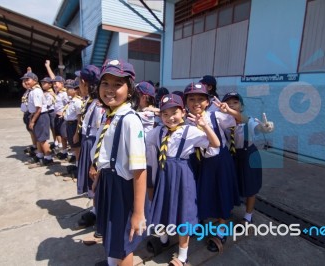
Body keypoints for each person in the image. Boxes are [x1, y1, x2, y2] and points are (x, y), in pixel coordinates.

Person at [146, 93, 220, 265]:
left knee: (183, 213)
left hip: (183, 176)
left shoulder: (190, 131)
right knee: (164, 207)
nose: (170, 117)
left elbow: (215, 144)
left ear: (183, 113)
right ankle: (163, 239)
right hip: (164, 176)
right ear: (160, 115)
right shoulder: (157, 132)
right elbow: (143, 143)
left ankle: (182, 254)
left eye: (174, 112)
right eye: (165, 114)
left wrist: (205, 126)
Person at [89, 59, 147, 266]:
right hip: (107, 183)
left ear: (129, 90)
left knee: (123, 243)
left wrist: (138, 212)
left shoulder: (129, 120)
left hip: (122, 189)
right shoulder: (109, 115)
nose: (110, 89)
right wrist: (98, 176)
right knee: (112, 236)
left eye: (117, 84)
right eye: (105, 83)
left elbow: (139, 170)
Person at [183, 82, 242, 253]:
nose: (196, 103)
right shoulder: (184, 119)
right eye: (191, 99)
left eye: (201, 99)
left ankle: (222, 230)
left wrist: (228, 110)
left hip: (219, 161)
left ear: (207, 102)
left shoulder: (215, 116)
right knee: (201, 193)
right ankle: (200, 223)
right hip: (199, 162)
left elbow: (239, 119)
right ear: (186, 102)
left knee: (221, 193)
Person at [221, 92, 274, 227]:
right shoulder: (224, 123)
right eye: (228, 103)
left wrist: (266, 127)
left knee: (251, 187)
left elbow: (260, 128)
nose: (232, 105)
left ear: (242, 106)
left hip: (249, 156)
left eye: (235, 102)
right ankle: (229, 210)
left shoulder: (249, 121)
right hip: (233, 156)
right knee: (233, 185)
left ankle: (248, 216)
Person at [75, 65, 103, 232]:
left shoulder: (99, 105)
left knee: (96, 180)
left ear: (85, 83)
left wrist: (95, 161)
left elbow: (101, 134)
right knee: (91, 181)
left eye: (79, 82)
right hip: (88, 142)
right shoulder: (90, 101)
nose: (78, 85)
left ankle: (100, 214)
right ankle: (95, 210)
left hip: (94, 145)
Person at [22, 72, 53, 167]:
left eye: (28, 80)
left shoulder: (36, 91)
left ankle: (48, 158)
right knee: (39, 138)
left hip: (41, 116)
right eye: (25, 80)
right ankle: (39, 155)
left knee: (42, 139)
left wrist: (32, 121)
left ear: (35, 81)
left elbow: (38, 108)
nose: (26, 82)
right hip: (36, 115)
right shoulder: (32, 90)